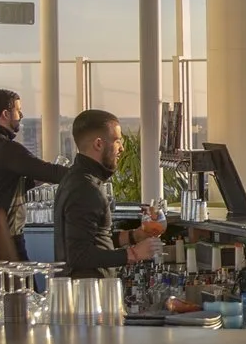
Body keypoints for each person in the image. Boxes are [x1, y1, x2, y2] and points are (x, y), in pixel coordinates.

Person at [54, 110, 165, 280]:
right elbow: (78, 255)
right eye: (117, 141)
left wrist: (134, 236)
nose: (122, 148)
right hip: (88, 294)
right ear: (98, 144)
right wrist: (133, 254)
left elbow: (96, 241)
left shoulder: (77, 179)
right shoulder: (85, 188)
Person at [0, 89, 67, 262]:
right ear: (5, 114)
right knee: (21, 286)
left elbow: (0, 186)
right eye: (18, 110)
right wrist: (86, 172)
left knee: (5, 287)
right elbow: (51, 172)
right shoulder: (6, 148)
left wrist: (35, 179)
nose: (21, 115)